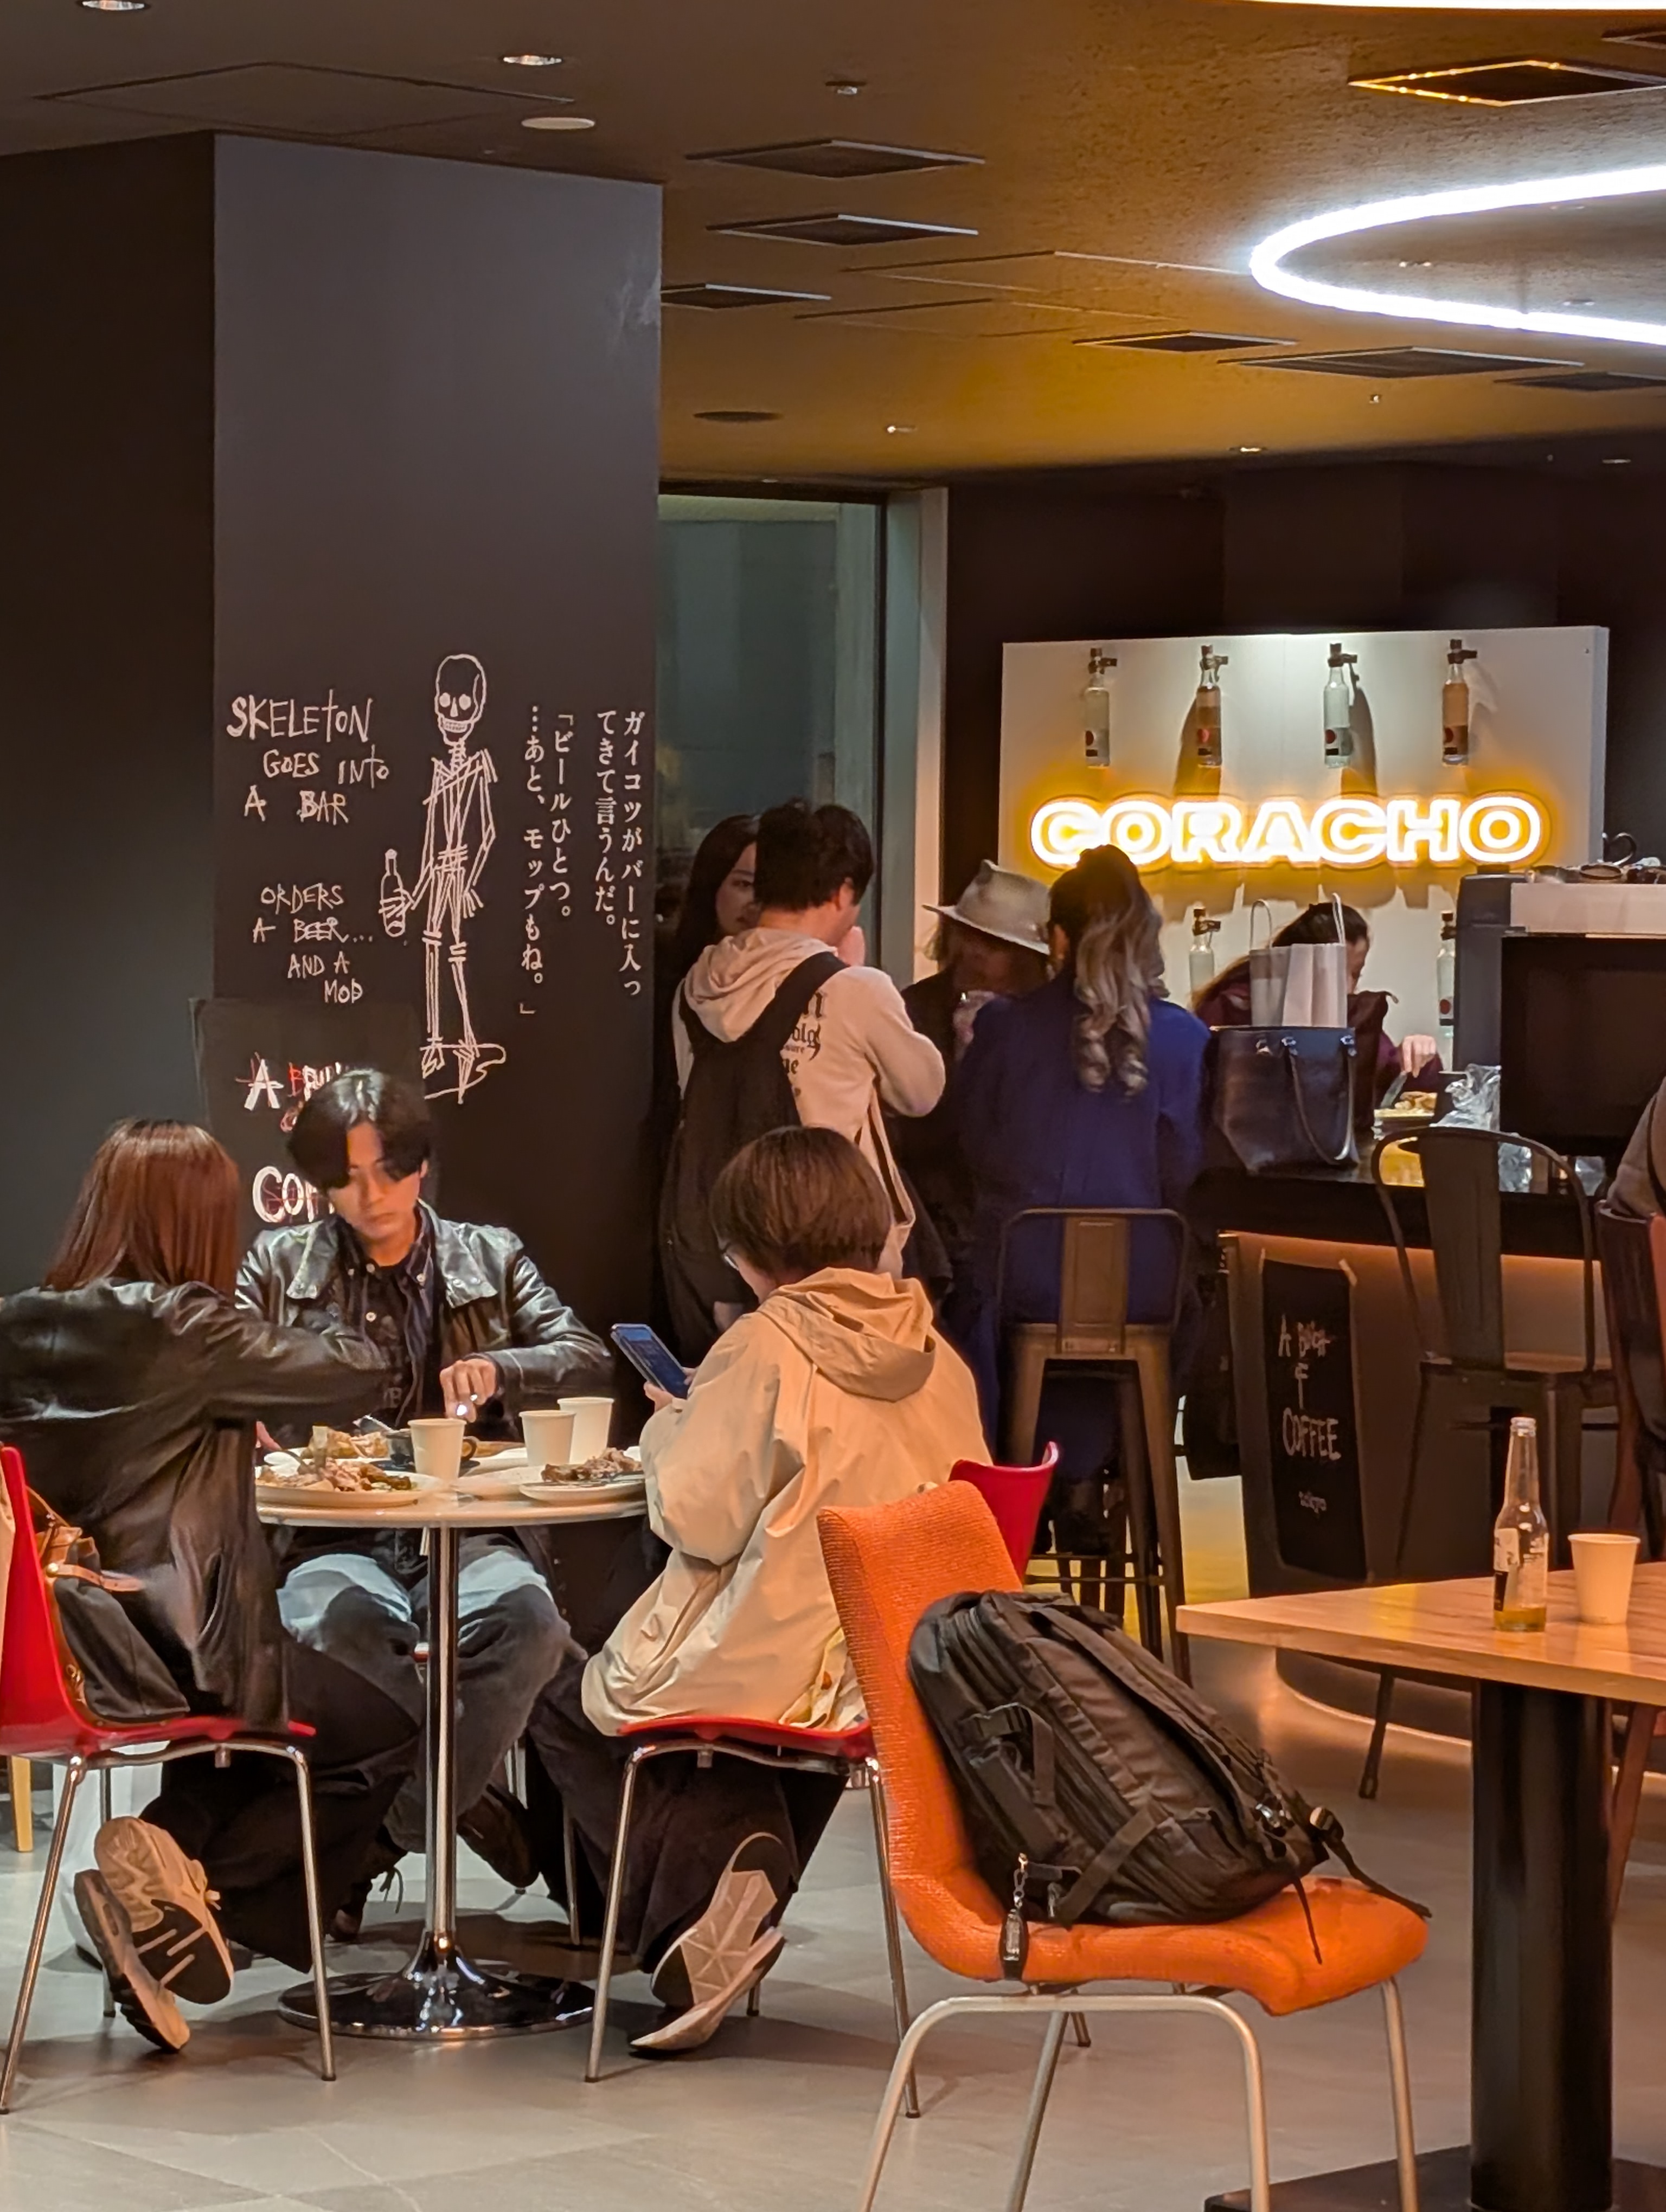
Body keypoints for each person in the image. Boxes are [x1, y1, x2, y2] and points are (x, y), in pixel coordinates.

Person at [529, 1126, 986, 2054]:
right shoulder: (937, 1353)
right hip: (905, 1659)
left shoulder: (762, 1346)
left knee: (560, 1692)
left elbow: (695, 1518)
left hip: (781, 1656)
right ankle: (725, 1901)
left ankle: (695, 1913)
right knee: (725, 1733)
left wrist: (676, 1423)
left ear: (748, 1246)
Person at [0, 1121, 415, 2053]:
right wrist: (315, 1304)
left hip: (50, 1652)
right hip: (179, 1648)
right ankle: (200, 1892)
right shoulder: (188, 1325)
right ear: (198, 1223)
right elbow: (360, 1369)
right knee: (386, 1733)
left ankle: (165, 1877)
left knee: (267, 1728)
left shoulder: (15, 1324)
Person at [236, 1068, 611, 1901]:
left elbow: (585, 1354)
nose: (369, 1197)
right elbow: (225, 1365)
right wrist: (255, 1402)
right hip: (333, 1533)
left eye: (387, 1171)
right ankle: (461, 1804)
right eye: (345, 1178)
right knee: (343, 1627)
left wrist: (502, 1367)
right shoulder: (279, 1263)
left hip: (470, 1528)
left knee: (531, 1628)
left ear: (420, 1166)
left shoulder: (489, 1256)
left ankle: (391, 1832)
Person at [945, 845, 1209, 1516]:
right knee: (1192, 1307)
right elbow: (1189, 1172)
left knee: (971, 1299)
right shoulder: (1186, 1040)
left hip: (1024, 1284)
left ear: (1056, 939)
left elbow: (973, 1146)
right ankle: (1115, 1479)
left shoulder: (1005, 1028)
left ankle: (1021, 1490)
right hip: (1142, 1294)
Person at [661, 799, 945, 1358]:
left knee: (742, 1390)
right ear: (843, 892)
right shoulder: (852, 988)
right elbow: (922, 1093)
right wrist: (855, 967)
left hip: (721, 1245)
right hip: (828, 1253)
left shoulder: (697, 986)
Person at [893, 860, 1052, 1276]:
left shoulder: (1048, 1022)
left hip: (1025, 1224)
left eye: (993, 942)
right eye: (967, 934)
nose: (974, 952)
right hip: (931, 1224)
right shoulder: (912, 1009)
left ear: (1027, 956)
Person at [1194, 902, 1439, 1100]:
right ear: (1300, 963)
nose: (1349, 987)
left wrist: (1418, 1055)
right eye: (1336, 972)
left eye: (1356, 973)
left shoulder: (1348, 1013)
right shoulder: (1230, 1007)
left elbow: (1391, 1079)